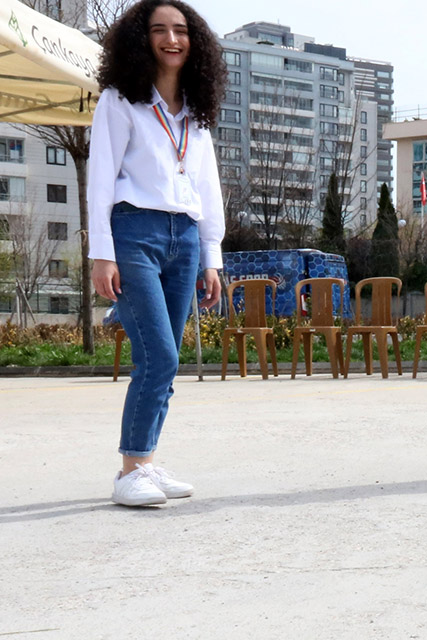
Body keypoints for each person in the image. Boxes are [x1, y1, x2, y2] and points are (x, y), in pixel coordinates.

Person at [88, 0, 226, 506]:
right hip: (134, 232)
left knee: (164, 359)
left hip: (184, 238)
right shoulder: (120, 101)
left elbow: (210, 187)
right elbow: (100, 178)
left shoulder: (198, 110)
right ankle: (130, 472)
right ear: (140, 39)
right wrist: (102, 254)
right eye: (159, 30)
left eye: (182, 30)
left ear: (196, 43)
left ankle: (145, 460)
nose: (172, 38)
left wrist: (212, 255)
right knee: (159, 355)